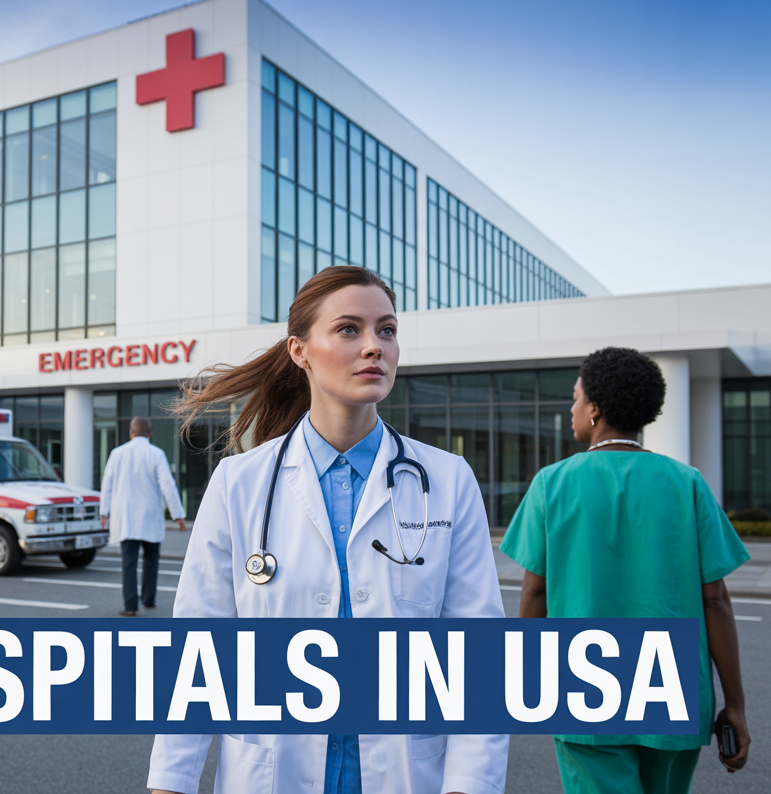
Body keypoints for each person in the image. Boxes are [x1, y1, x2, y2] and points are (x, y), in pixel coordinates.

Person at [148, 266, 507, 794]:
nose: (374, 347)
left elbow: (478, 656)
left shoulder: (447, 481)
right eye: (348, 329)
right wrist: (169, 783)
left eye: (386, 330)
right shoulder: (239, 483)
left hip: (406, 776)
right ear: (299, 351)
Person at [500, 347, 751, 794]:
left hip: (586, 684)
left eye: (576, 398)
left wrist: (525, 676)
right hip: (673, 686)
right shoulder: (687, 482)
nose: (571, 408)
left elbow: (535, 594)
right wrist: (735, 705)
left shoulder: (552, 484)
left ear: (595, 409)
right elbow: (715, 600)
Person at [99, 416, 186, 617]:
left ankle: (130, 605)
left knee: (128, 563)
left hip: (126, 517)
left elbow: (107, 484)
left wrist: (104, 512)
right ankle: (149, 599)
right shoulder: (156, 454)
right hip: (150, 516)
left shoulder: (117, 453)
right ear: (149, 433)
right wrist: (178, 515)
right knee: (151, 559)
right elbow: (168, 485)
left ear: (131, 432)